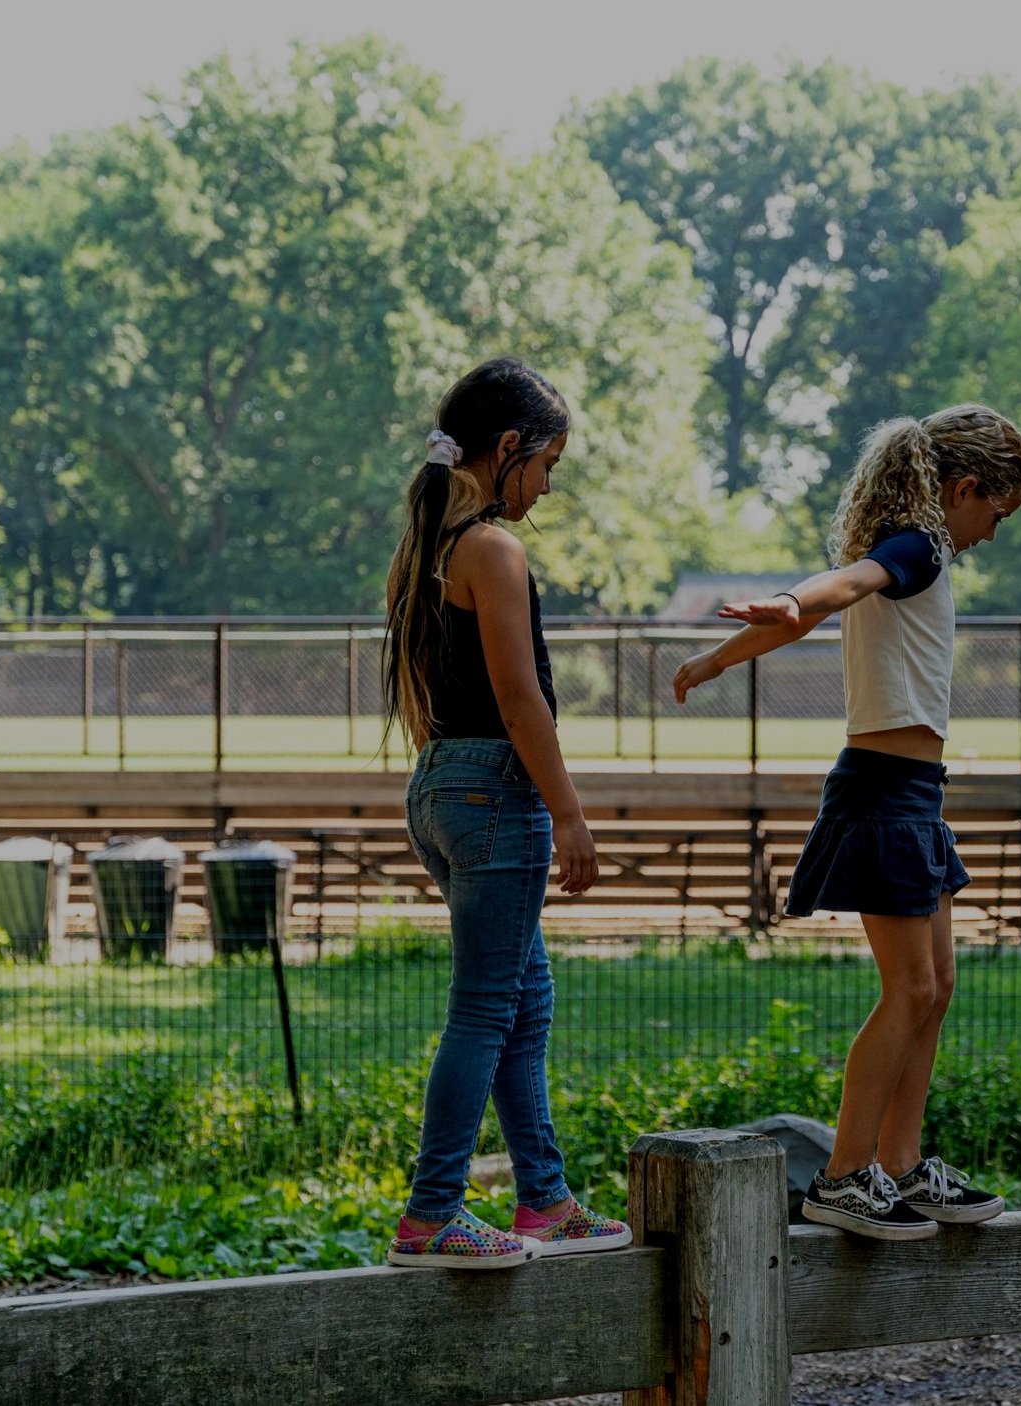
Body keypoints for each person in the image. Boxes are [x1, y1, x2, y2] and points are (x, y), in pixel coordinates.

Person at [671, 406, 1021, 1240]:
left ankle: (901, 1166)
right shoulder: (917, 546)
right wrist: (786, 597)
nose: (992, 533)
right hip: (882, 795)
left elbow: (808, 614)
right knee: (910, 989)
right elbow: (839, 588)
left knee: (937, 987)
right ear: (965, 489)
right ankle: (842, 1175)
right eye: (997, 513)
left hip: (915, 794)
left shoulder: (913, 553)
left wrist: (718, 657)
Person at [381, 357, 627, 1270]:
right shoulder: (491, 548)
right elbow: (521, 701)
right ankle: (431, 1214)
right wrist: (571, 815)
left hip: (441, 783)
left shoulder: (428, 546)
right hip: (495, 792)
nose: (547, 487)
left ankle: (545, 1200)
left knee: (524, 1001)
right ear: (510, 446)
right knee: (487, 1008)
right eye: (547, 465)